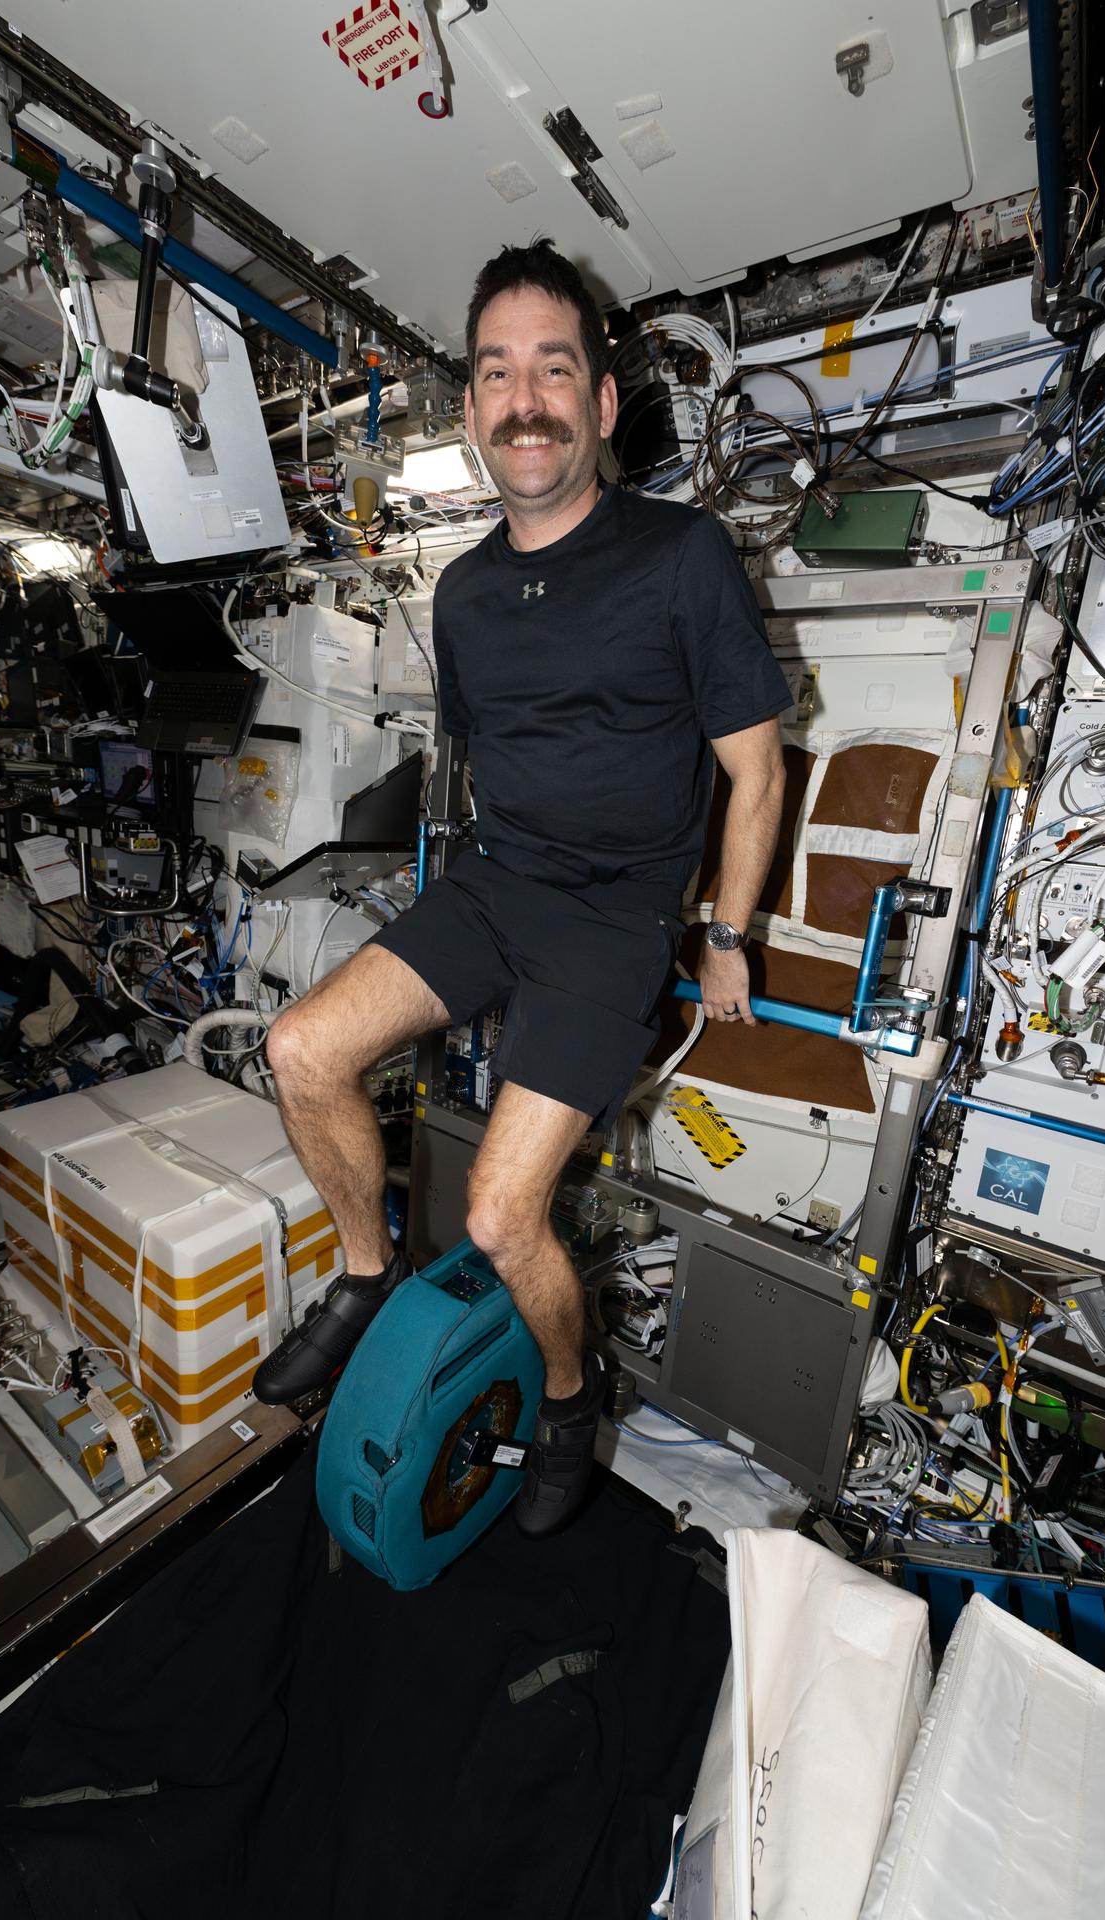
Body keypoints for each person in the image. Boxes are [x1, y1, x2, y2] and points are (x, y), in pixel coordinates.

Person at [253, 239, 791, 1537]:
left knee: (501, 1216)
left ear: (600, 401)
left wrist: (724, 936)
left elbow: (757, 771)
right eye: (498, 372)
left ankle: (566, 1392)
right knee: (298, 1050)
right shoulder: (466, 592)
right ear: (472, 410)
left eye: (555, 368)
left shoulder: (683, 554)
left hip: (614, 921)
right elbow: (489, 760)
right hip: (500, 885)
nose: (526, 399)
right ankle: (368, 1275)